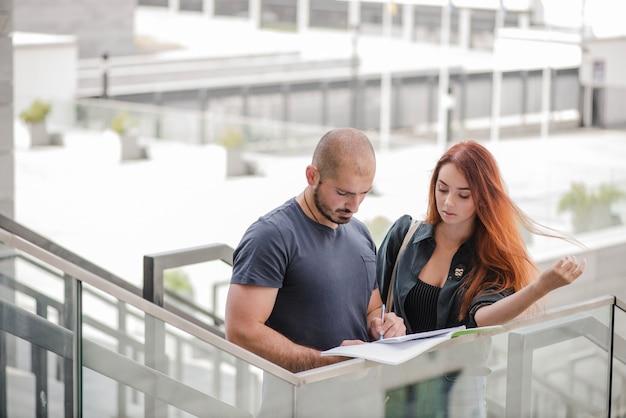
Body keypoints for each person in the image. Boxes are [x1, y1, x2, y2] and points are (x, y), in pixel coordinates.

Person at [377, 140, 585, 416]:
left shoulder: (489, 257)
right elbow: (372, 300)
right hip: (402, 386)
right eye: (442, 189)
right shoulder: (405, 236)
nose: (448, 202)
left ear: (483, 198)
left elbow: (481, 318)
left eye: (464, 195)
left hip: (460, 392)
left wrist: (541, 287)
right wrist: (379, 324)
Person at [225, 128, 406, 374]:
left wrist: (382, 324)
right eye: (343, 193)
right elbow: (241, 331)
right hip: (297, 401)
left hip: (360, 398)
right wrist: (326, 363)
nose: (354, 206)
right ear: (312, 176)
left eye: (364, 193)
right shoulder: (270, 236)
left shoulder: (359, 233)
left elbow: (371, 308)